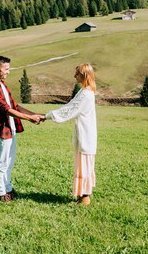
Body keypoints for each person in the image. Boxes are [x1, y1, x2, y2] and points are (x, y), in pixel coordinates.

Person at [0, 55, 44, 202]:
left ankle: (8, 188)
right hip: (1, 130)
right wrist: (29, 118)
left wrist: (33, 115)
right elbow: (6, 109)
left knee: (9, 161)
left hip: (11, 129)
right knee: (2, 162)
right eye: (6, 69)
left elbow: (15, 106)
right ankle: (0, 192)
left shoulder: (3, 86)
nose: (8, 72)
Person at [45, 63, 97, 205]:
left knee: (83, 164)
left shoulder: (86, 94)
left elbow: (69, 109)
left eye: (77, 74)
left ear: (84, 75)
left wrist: (47, 116)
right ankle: (83, 195)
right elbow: (71, 106)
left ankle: (84, 197)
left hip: (86, 135)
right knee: (83, 163)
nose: (74, 76)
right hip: (86, 134)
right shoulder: (86, 92)